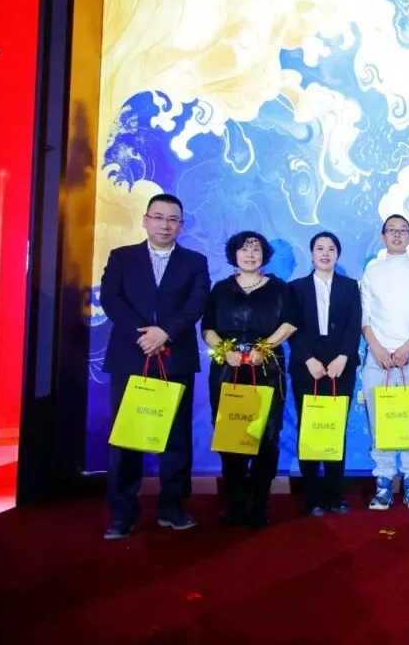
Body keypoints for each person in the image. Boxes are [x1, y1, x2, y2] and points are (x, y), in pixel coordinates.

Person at [100, 194, 210, 540]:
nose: (165, 225)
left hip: (175, 357)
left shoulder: (195, 261)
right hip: (131, 355)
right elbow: (111, 299)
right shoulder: (122, 257)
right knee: (127, 438)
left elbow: (196, 303)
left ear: (181, 225)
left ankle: (172, 507)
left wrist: (165, 333)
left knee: (177, 438)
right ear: (145, 220)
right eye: (158, 217)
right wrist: (145, 334)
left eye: (172, 219)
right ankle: (122, 513)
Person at [202, 232, 297, 528]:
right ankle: (235, 503)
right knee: (231, 435)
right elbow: (207, 328)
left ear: (264, 255)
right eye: (244, 249)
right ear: (234, 254)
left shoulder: (279, 288)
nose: (250, 254)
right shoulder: (220, 289)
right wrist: (224, 350)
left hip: (266, 368)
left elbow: (291, 323)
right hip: (228, 370)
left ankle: (259, 503)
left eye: (256, 249)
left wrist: (265, 347)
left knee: (266, 436)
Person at [359, 214, 409, 510]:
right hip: (378, 358)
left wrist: (407, 347)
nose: (398, 235)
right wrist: (377, 349)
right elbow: (364, 316)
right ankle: (384, 481)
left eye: (403, 231)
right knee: (381, 419)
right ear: (383, 236)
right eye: (392, 230)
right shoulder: (372, 272)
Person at [288, 232, 362, 517]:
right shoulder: (295, 288)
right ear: (311, 253)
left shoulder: (350, 287)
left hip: (341, 367)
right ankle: (312, 496)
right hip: (307, 368)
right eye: (319, 248)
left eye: (331, 249)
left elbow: (354, 325)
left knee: (335, 428)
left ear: (338, 255)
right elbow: (291, 329)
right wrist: (309, 360)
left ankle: (335, 494)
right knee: (309, 428)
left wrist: (343, 357)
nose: (325, 253)